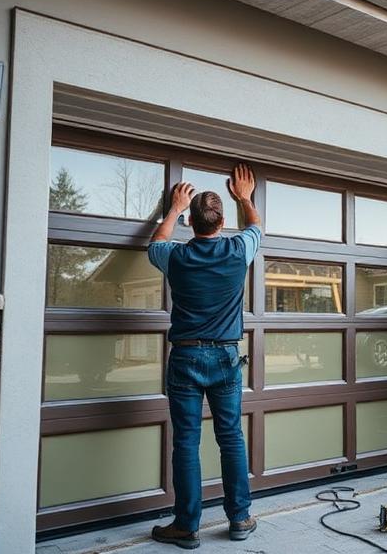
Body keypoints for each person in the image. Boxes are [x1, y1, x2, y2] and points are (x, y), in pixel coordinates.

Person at [148, 163, 260, 549]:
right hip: (226, 357)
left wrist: (173, 210)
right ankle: (240, 519)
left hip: (186, 357)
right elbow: (256, 227)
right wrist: (245, 197)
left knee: (186, 442)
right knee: (231, 437)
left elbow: (156, 243)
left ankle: (186, 526)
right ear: (222, 222)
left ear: (191, 223)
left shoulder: (176, 257)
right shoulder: (238, 251)